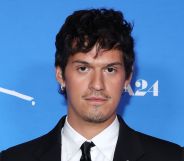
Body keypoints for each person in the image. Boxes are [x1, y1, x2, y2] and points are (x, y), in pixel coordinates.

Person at [0, 8, 183, 161]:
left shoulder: (173, 157)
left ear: (127, 78)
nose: (97, 85)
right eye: (83, 68)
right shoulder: (12, 159)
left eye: (110, 69)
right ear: (60, 74)